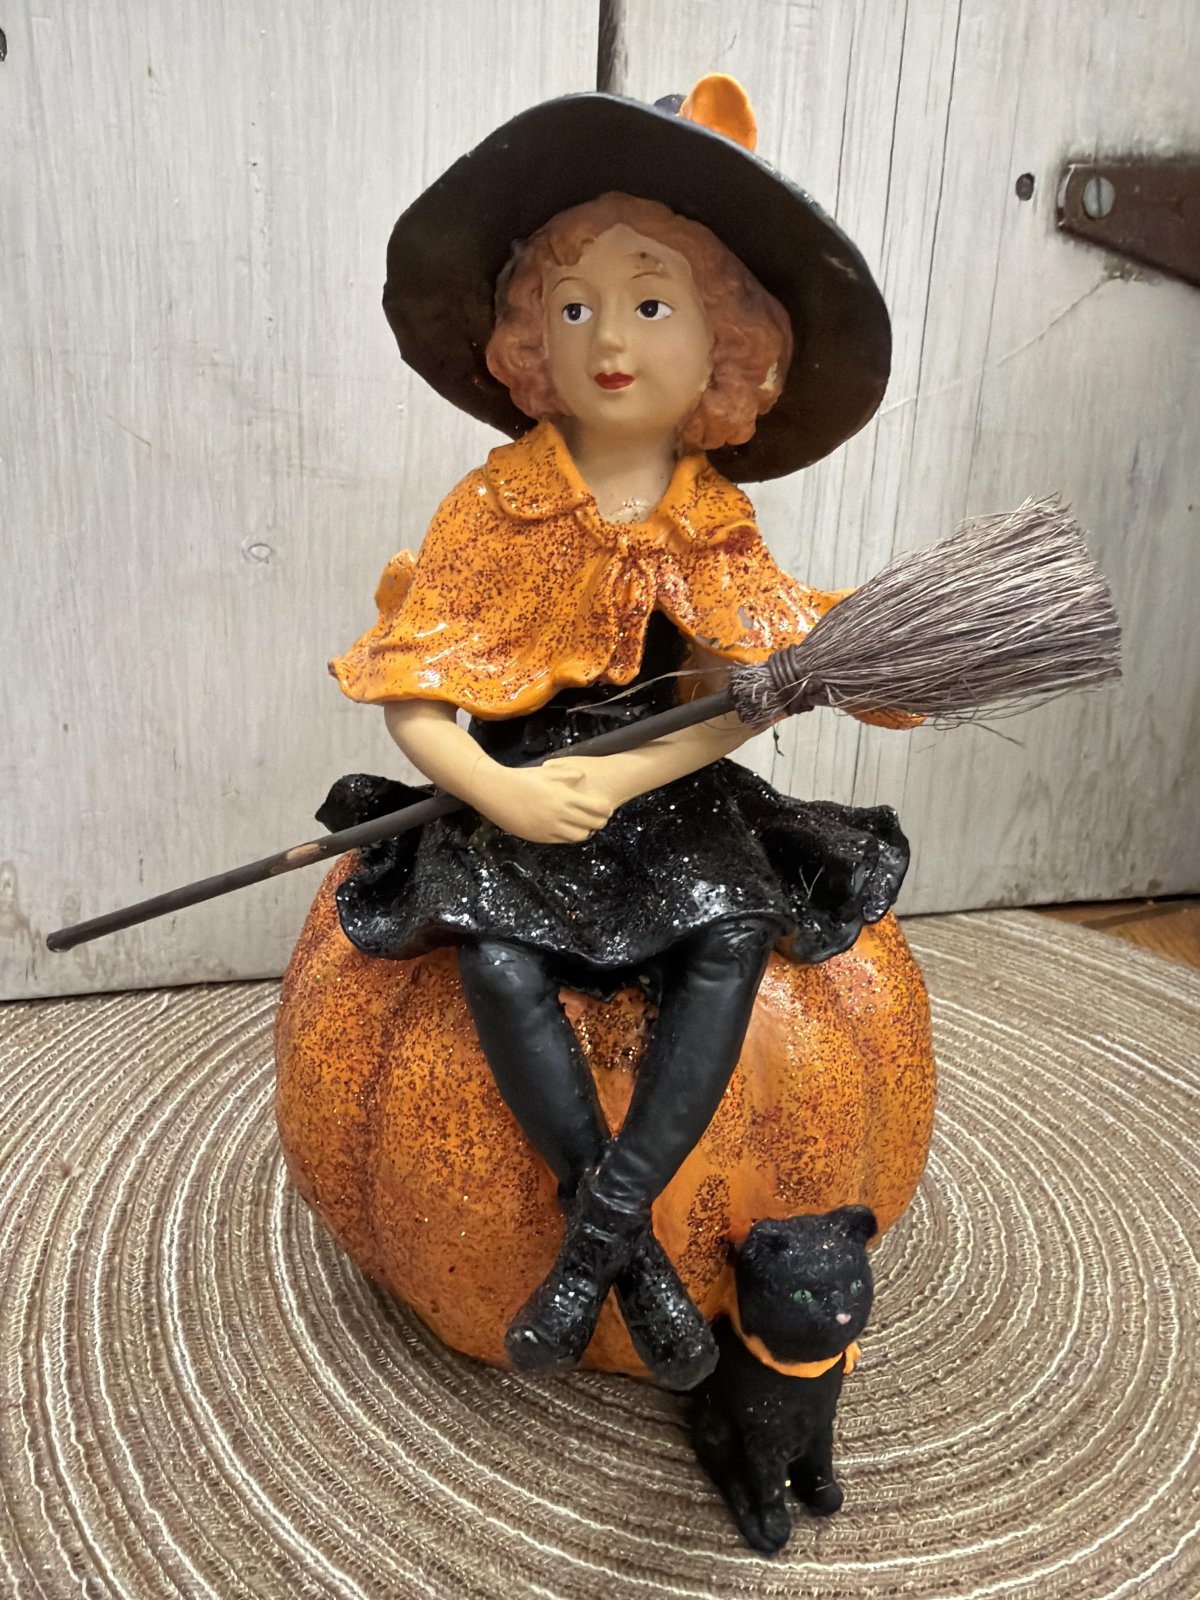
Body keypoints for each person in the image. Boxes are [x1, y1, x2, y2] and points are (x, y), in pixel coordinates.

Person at [321, 76, 911, 1390]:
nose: (610, 339)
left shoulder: (711, 521)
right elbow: (416, 692)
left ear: (728, 349)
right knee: (493, 953)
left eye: (651, 306)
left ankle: (592, 1246)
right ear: (530, 337)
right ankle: (633, 1261)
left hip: (668, 789)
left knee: (733, 929)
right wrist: (501, 791)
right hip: (516, 781)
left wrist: (637, 767)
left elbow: (741, 694)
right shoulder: (497, 507)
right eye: (574, 305)